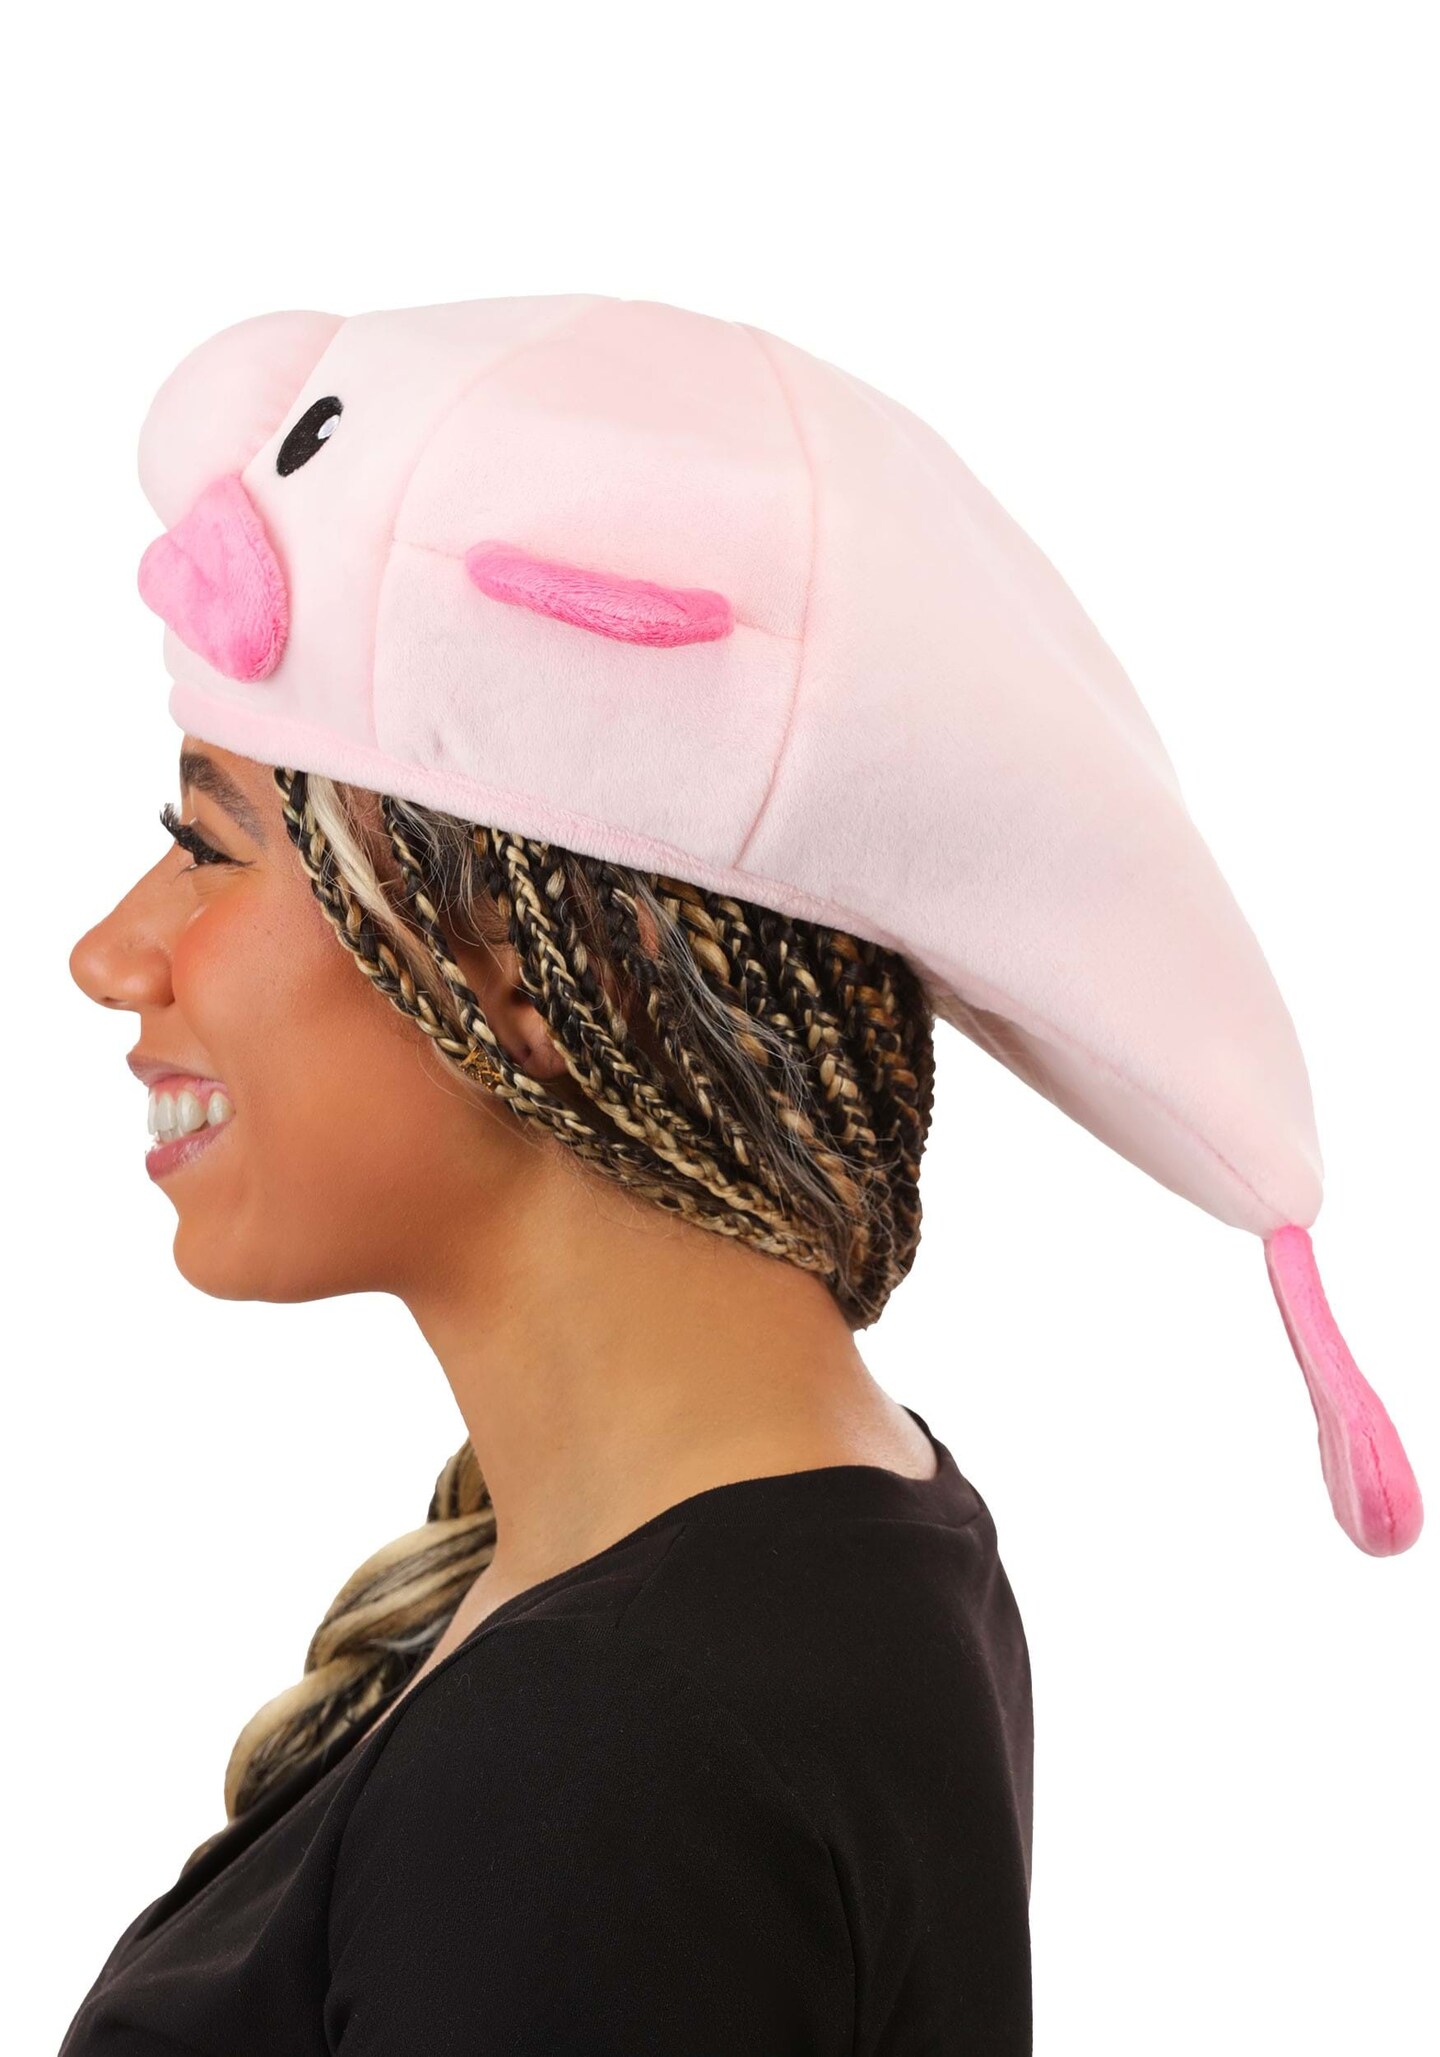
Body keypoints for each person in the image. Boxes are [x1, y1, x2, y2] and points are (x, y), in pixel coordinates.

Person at [63, 732, 1035, 2052]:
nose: (108, 956)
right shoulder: (856, 1528)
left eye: (209, 848)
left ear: (533, 970)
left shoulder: (598, 1758)